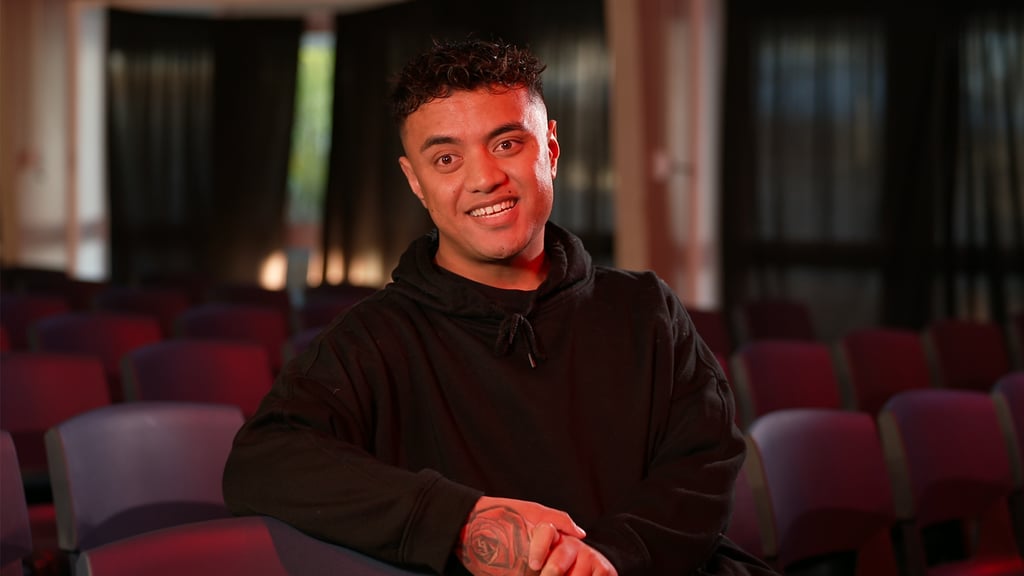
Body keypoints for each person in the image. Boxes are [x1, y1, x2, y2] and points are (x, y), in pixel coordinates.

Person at [223, 37, 776, 576]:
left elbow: (703, 463)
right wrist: (460, 522)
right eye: (446, 158)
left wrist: (609, 555)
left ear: (550, 150)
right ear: (415, 182)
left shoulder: (646, 310)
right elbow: (263, 461)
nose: (485, 179)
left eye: (507, 144)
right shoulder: (371, 339)